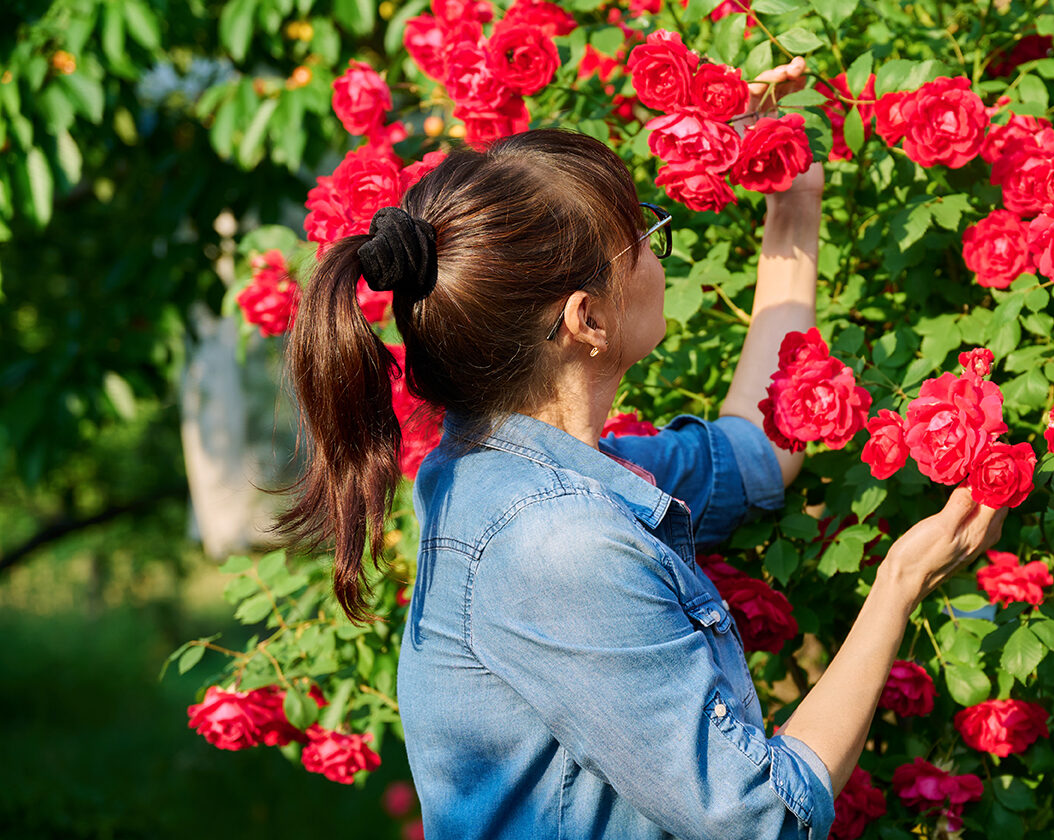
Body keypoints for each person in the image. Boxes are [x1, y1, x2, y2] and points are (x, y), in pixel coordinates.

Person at [278, 65, 1006, 840]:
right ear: (586, 319)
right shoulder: (557, 543)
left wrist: (793, 195)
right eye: (645, 239)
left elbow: (756, 450)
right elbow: (760, 820)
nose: (662, 253)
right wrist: (900, 582)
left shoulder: (531, 470)